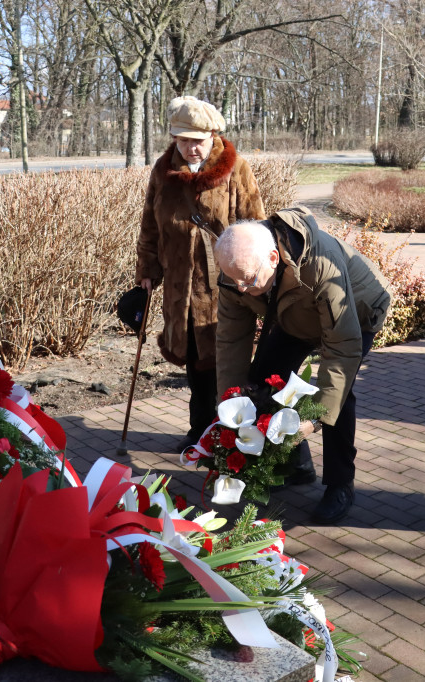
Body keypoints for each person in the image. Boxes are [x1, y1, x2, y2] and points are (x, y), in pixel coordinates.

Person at [213, 208, 391, 524]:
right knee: (263, 381)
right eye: (234, 279)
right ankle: (296, 464)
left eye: (249, 280)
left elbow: (341, 351)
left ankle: (340, 485)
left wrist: (315, 420)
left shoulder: (318, 264)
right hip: (296, 317)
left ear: (272, 257)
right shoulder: (237, 274)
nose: (240, 288)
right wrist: (231, 403)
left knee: (338, 395)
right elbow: (231, 344)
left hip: (357, 312)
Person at [135, 96, 265, 451]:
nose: (191, 147)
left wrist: (252, 275)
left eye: (198, 139)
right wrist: (147, 269)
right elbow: (149, 224)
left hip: (224, 285)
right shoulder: (163, 171)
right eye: (183, 139)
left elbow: (254, 224)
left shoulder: (235, 168)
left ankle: (233, 433)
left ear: (213, 135)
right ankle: (200, 430)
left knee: (228, 360)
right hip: (179, 285)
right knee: (194, 360)